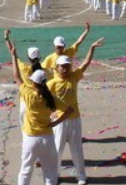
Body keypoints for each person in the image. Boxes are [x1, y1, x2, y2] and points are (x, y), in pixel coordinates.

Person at [6, 33, 74, 185]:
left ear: (33, 82)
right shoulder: (50, 98)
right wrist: (56, 123)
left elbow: (16, 76)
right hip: (48, 138)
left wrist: (13, 55)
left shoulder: (28, 94)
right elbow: (69, 110)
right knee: (50, 173)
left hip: (30, 138)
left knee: (25, 171)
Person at [47, 38, 104, 185]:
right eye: (63, 66)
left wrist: (91, 48)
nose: (66, 69)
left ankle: (81, 176)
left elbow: (85, 64)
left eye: (68, 66)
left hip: (74, 119)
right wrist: (49, 114)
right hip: (59, 121)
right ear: (57, 68)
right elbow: (44, 100)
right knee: (57, 150)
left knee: (76, 149)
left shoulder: (74, 77)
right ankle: (54, 175)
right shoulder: (51, 83)